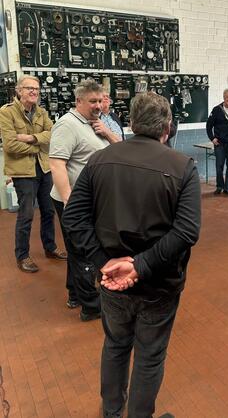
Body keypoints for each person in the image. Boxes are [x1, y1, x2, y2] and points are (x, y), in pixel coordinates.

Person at [62, 92, 201, 418]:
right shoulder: (183, 167)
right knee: (150, 355)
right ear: (167, 127)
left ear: (132, 123)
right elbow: (186, 232)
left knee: (115, 345)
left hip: (112, 282)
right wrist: (140, 266)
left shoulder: (99, 160)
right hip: (159, 284)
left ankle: (111, 412)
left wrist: (104, 263)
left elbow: (73, 217)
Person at [49, 79, 119, 321]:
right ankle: (91, 307)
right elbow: (56, 164)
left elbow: (119, 147)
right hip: (74, 202)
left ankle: (75, 294)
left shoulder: (95, 123)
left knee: (77, 249)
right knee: (83, 251)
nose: (98, 105)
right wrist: (69, 201)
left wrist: (106, 131)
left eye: (100, 100)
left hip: (93, 199)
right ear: (78, 101)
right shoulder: (67, 125)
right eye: (92, 101)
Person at [0, 74, 66, 273]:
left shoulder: (41, 112)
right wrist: (39, 145)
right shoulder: (6, 112)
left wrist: (30, 138)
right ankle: (22, 256)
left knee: (48, 211)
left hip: (44, 168)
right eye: (30, 88)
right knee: (26, 214)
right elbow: (10, 145)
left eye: (36, 89)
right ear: (19, 91)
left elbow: (52, 134)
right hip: (23, 171)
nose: (34, 92)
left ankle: (50, 247)